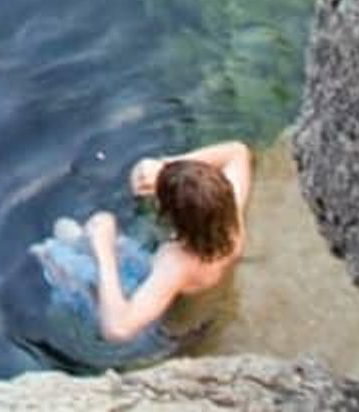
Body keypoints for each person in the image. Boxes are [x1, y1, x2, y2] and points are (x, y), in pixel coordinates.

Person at [82, 139, 253, 343]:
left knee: (58, 247)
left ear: (171, 217)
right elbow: (238, 151)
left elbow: (117, 330)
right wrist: (165, 167)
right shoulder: (231, 214)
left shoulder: (177, 263)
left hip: (169, 324)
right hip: (204, 282)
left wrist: (103, 249)